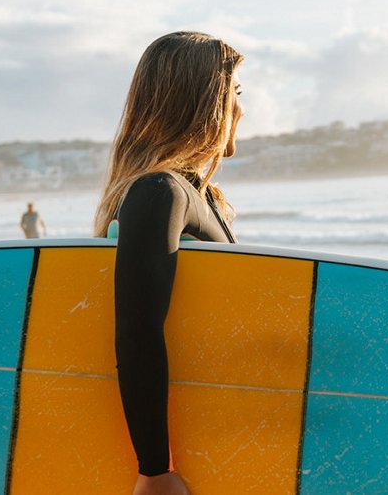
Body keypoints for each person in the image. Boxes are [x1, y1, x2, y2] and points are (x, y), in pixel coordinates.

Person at [91, 31, 243, 495]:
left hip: (217, 434)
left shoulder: (197, 198)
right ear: (206, 102)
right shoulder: (161, 192)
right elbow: (137, 330)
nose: (242, 109)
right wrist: (155, 469)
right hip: (177, 461)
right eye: (235, 93)